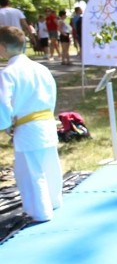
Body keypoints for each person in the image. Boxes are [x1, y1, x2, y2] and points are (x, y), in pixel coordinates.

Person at [0, 26, 63, 222]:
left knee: (30, 171)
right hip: (46, 122)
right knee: (50, 164)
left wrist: (4, 124)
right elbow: (52, 94)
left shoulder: (8, 73)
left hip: (27, 127)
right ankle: (54, 201)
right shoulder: (41, 68)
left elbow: (3, 103)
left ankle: (40, 211)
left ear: (2, 47)